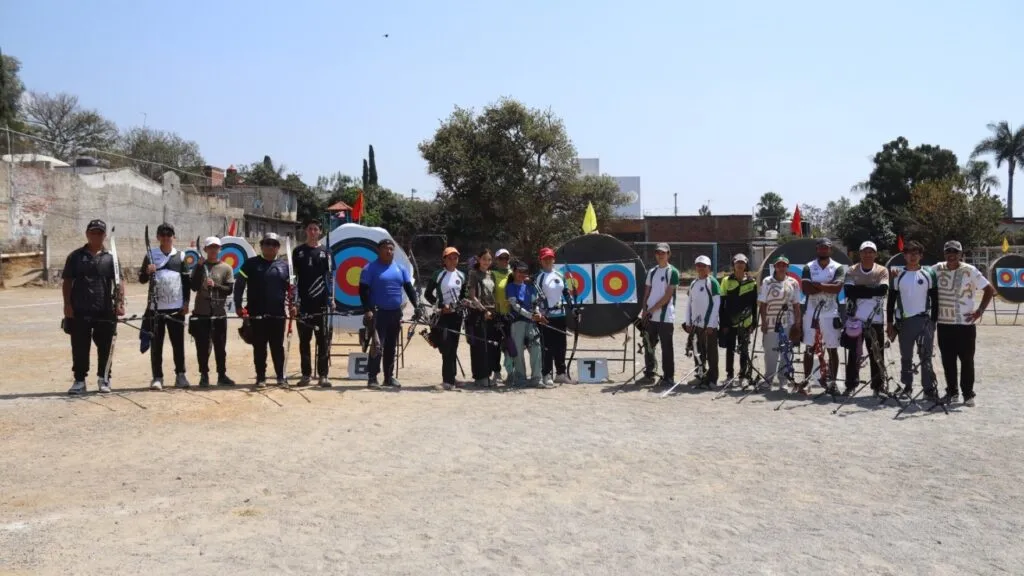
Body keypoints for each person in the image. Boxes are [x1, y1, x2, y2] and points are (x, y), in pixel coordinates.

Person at [63, 219, 125, 394]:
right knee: (80, 346)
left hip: (105, 310)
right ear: (87, 234)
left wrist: (119, 303)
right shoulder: (75, 257)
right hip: (80, 309)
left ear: (104, 235)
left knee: (105, 346)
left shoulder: (111, 258)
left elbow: (119, 282)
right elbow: (67, 281)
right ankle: (79, 380)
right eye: (93, 232)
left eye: (99, 233)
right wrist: (67, 304)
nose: (96, 236)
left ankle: (103, 378)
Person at [932, 240, 994, 407]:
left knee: (967, 360)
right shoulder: (936, 269)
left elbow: (989, 290)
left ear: (960, 254)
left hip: (965, 325)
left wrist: (980, 311)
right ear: (944, 254)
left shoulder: (970, 270)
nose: (951, 254)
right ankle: (952, 392)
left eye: (955, 251)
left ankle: (968, 394)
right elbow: (919, 277)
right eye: (948, 251)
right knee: (948, 360)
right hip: (944, 323)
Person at [359, 238, 419, 389]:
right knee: (377, 346)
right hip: (378, 313)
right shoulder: (369, 268)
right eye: (385, 248)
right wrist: (367, 310)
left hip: (395, 313)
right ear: (379, 251)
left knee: (391, 347)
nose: (389, 251)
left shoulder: (400, 269)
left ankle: (388, 377)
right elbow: (363, 291)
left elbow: (409, 289)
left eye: (391, 249)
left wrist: (417, 306)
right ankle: (372, 378)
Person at [234, 232, 290, 388]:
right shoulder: (250, 264)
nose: (270, 246)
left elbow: (292, 289)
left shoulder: (284, 267)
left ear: (278, 247)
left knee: (277, 347)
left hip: (277, 314)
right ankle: (261, 377)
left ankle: (280, 376)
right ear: (261, 245)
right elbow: (239, 285)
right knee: (259, 347)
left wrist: (294, 304)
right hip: (256, 313)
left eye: (274, 244)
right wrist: (238, 305)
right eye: (267, 243)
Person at [139, 222, 191, 390]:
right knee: (157, 344)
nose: (166, 238)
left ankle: (180, 375)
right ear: (158, 237)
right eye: (163, 235)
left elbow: (186, 281)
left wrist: (186, 302)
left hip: (176, 309)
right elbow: (141, 279)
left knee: (178, 343)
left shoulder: (180, 256)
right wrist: (148, 271)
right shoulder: (150, 255)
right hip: (156, 308)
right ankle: (157, 377)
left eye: (169, 235)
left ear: (173, 237)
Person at [886, 240, 939, 401]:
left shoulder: (929, 273)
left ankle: (928, 389)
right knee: (906, 356)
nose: (913, 256)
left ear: (921, 256)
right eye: (909, 253)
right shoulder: (897, 275)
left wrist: (933, 322)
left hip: (924, 321)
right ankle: (907, 386)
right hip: (905, 322)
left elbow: (935, 300)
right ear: (904, 255)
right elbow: (891, 301)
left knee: (926, 356)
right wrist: (889, 323)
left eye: (916, 253)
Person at [842, 241, 889, 396]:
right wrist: (871, 289)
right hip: (856, 319)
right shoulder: (851, 270)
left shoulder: (882, 270)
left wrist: (859, 289)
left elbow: (882, 290)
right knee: (854, 354)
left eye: (871, 252)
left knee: (876, 354)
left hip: (875, 319)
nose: (868, 254)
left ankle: (878, 386)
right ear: (860, 254)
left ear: (875, 254)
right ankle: (850, 385)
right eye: (865, 251)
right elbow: (849, 291)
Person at [189, 236, 236, 387]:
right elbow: (194, 286)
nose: (213, 250)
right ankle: (204, 375)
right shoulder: (199, 267)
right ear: (205, 250)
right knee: (202, 346)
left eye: (216, 247)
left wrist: (215, 285)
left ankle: (222, 375)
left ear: (220, 249)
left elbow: (229, 290)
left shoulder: (226, 268)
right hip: (201, 312)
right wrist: (197, 267)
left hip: (218, 312)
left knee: (220, 346)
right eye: (210, 247)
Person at [800, 237, 845, 392]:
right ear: (817, 249)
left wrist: (817, 285)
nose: (823, 250)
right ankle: (806, 381)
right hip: (811, 312)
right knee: (809, 347)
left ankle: (832, 382)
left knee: (832, 348)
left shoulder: (838, 267)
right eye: (820, 247)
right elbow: (806, 289)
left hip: (830, 312)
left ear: (830, 249)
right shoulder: (808, 266)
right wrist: (827, 286)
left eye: (826, 248)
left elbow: (837, 288)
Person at [292, 219, 333, 387]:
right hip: (303, 304)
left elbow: (331, 278)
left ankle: (323, 375)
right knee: (304, 340)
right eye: (310, 229)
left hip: (321, 304)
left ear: (320, 232)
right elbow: (293, 279)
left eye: (316, 229)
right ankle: (306, 375)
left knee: (323, 340)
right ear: (306, 231)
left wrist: (332, 298)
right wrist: (294, 302)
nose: (313, 232)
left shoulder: (326, 252)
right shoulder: (298, 252)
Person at [423, 247, 468, 390]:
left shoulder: (461, 275)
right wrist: (442, 306)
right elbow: (428, 294)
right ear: (444, 259)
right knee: (446, 346)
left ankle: (452, 378)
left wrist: (461, 304)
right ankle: (447, 380)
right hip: (443, 315)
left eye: (455, 258)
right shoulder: (438, 274)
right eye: (450, 258)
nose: (453, 260)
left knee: (453, 346)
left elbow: (464, 295)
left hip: (457, 316)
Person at [757, 255, 802, 389]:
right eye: (778, 265)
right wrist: (763, 322)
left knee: (786, 351)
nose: (781, 267)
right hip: (771, 321)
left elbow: (796, 305)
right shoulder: (767, 281)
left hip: (788, 321)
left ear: (787, 267)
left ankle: (783, 379)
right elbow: (763, 303)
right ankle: (769, 378)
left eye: (784, 265)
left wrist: (797, 324)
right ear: (775, 266)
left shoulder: (793, 282)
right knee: (770, 351)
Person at [639, 243, 681, 387]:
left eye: (663, 253)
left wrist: (652, 309)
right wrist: (644, 309)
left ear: (668, 254)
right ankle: (649, 374)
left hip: (665, 317)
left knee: (666, 348)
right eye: (658, 252)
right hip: (650, 316)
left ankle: (668, 376)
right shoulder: (652, 272)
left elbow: (668, 296)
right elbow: (647, 292)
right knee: (649, 345)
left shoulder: (672, 272)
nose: (660, 255)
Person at [505, 260, 547, 387]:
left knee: (536, 347)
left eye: (524, 272)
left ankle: (536, 378)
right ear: (514, 272)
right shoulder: (510, 287)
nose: (522, 274)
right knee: (517, 350)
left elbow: (535, 303)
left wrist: (538, 314)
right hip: (517, 322)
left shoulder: (530, 286)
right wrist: (531, 316)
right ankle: (520, 377)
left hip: (531, 322)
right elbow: (514, 305)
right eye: (519, 272)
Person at [535, 247, 573, 386]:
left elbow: (566, 293)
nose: (548, 261)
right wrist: (538, 312)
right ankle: (546, 374)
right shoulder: (539, 277)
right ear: (541, 261)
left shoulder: (560, 274)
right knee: (547, 346)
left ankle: (561, 374)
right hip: (546, 316)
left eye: (550, 258)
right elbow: (536, 297)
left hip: (561, 314)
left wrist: (573, 308)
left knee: (561, 345)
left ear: (554, 259)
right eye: (545, 258)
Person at [719, 253, 758, 386]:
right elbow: (721, 304)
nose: (740, 265)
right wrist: (723, 323)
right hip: (730, 322)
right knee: (730, 349)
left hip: (746, 322)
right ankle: (729, 374)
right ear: (733, 265)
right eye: (737, 263)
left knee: (744, 349)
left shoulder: (752, 282)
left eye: (742, 263)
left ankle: (743, 374)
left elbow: (754, 304)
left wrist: (754, 322)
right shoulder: (726, 281)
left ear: (746, 265)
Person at [683, 255, 721, 387]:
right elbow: (689, 303)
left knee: (711, 353)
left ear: (709, 268)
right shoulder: (693, 283)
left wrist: (710, 324)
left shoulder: (713, 282)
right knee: (697, 351)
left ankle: (712, 379)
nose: (700, 268)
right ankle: (700, 375)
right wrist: (688, 322)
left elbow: (716, 304)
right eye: (698, 265)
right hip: (695, 325)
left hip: (708, 325)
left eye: (703, 266)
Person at [467, 248, 500, 387]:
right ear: (479, 259)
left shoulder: (491, 275)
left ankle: (490, 373)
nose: (487, 262)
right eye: (484, 259)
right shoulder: (474, 274)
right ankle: (480, 376)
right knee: (480, 346)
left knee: (491, 345)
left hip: (492, 313)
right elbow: (472, 296)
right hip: (479, 313)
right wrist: (483, 310)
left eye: (489, 259)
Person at [492, 248, 514, 382]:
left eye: (506, 258)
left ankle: (511, 372)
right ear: (496, 260)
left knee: (509, 345)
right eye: (501, 258)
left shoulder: (513, 274)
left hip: (510, 316)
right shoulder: (492, 274)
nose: (504, 261)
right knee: (495, 345)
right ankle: (496, 372)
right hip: (496, 315)